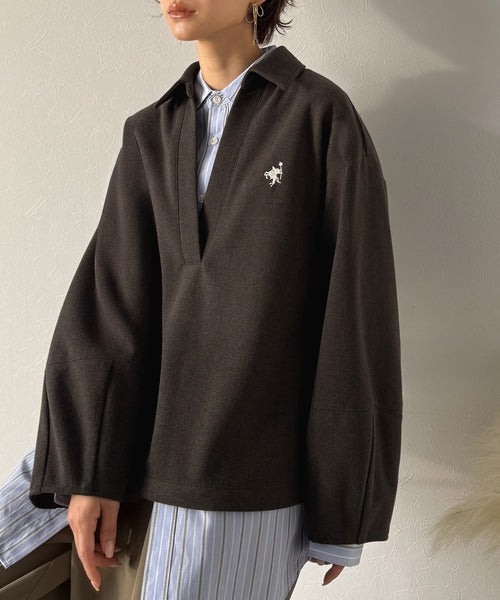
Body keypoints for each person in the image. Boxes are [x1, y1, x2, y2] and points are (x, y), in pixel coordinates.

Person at [5, 1, 403, 598]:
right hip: (130, 471)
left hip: (246, 489)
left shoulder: (319, 116)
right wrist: (87, 474)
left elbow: (354, 314)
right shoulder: (150, 131)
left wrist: (343, 507)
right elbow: (110, 308)